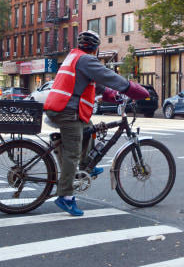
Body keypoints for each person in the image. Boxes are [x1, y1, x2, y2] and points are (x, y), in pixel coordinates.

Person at [44, 30, 150, 216]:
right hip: (67, 111)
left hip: (62, 108)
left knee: (89, 128)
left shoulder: (75, 57)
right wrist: (133, 90)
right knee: (72, 152)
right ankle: (65, 197)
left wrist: (114, 96)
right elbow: (111, 78)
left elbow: (99, 86)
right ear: (96, 49)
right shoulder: (87, 60)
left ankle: (86, 166)